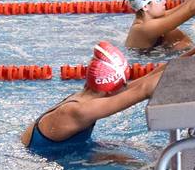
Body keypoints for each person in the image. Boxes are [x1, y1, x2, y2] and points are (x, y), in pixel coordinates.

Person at [23, 42, 163, 153]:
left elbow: (144, 81)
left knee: (139, 148)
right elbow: (143, 89)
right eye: (123, 83)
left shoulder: (88, 96)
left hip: (71, 148)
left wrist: (182, 59)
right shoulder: (81, 110)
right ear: (110, 90)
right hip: (44, 159)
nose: (126, 86)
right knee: (127, 161)